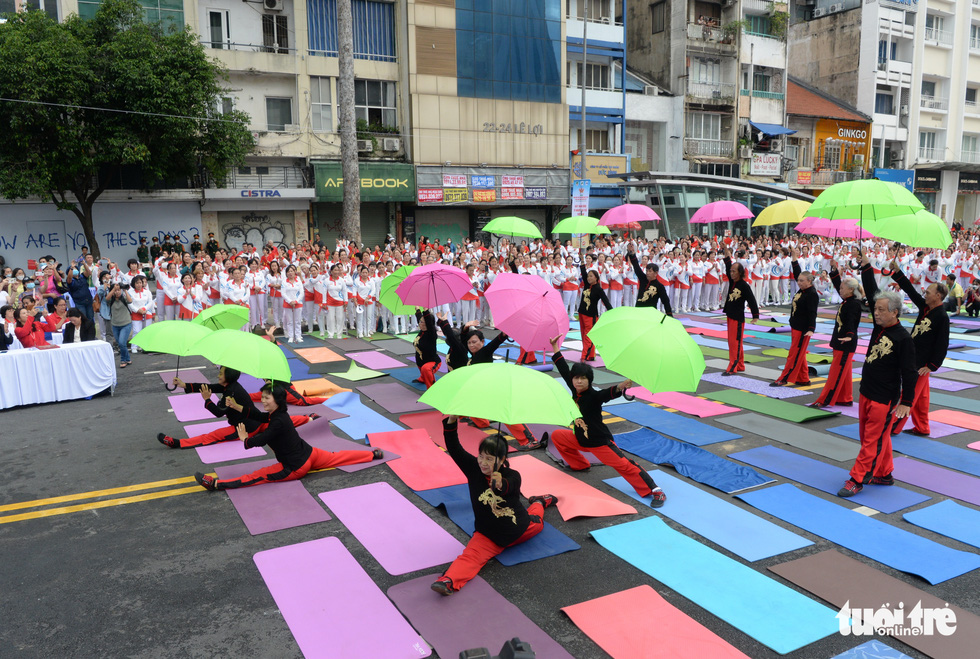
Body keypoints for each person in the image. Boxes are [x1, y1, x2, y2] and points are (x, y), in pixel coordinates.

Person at [430, 416, 556, 596]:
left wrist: (499, 484)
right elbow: (454, 448)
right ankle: (449, 581)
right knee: (470, 557)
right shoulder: (473, 468)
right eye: (481, 456)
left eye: (489, 459)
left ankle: (540, 501)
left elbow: (509, 488)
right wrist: (451, 421)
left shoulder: (513, 475)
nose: (483, 462)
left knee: (537, 521)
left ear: (502, 459)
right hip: (488, 535)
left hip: (519, 528)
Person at [547, 335, 666, 507]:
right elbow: (564, 369)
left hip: (599, 443)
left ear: (589, 380)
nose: (579, 381)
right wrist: (555, 348)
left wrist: (620, 387)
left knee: (625, 465)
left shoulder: (593, 395)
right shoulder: (575, 388)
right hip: (580, 439)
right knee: (558, 436)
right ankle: (580, 465)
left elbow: (606, 394)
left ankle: (655, 490)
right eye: (576, 378)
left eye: (583, 378)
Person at [194, 384, 380, 490]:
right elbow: (257, 415)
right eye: (263, 397)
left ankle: (217, 484)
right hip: (310, 454)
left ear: (277, 401)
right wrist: (237, 407)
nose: (263, 400)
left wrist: (244, 439)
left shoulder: (277, 422)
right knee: (338, 456)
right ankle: (373, 454)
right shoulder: (278, 414)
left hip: (295, 467)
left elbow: (262, 439)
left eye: (266, 398)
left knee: (257, 476)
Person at [838, 264, 917, 498]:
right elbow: (871, 291)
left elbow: (910, 373)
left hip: (885, 398)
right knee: (871, 437)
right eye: (876, 309)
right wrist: (865, 267)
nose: (877, 313)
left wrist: (906, 402)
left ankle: (857, 479)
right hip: (867, 392)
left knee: (871, 440)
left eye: (882, 310)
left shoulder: (903, 339)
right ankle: (884, 473)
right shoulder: (879, 329)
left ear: (895, 312)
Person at [437, 314, 544, 450]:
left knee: (507, 416)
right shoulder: (473, 355)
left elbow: (495, 343)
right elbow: (462, 341)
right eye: (470, 343)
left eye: (475, 342)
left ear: (482, 342)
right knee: (469, 404)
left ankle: (530, 440)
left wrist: (503, 335)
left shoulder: (484, 352)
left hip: (492, 390)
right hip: (481, 390)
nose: (471, 345)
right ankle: (483, 422)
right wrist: (465, 328)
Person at [157, 366, 316, 449]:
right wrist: (185, 385)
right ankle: (308, 418)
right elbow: (209, 386)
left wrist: (207, 400)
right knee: (280, 421)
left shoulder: (231, 392)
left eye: (221, 374)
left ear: (228, 377)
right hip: (254, 420)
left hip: (245, 427)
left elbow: (219, 413)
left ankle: (179, 443)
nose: (218, 376)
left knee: (212, 436)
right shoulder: (230, 385)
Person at [888, 258, 950, 437]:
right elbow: (910, 290)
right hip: (914, 357)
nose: (925, 293)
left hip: (923, 362)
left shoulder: (942, 316)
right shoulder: (925, 307)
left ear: (938, 295)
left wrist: (932, 366)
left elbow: (942, 344)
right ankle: (922, 427)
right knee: (921, 398)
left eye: (929, 291)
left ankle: (893, 426)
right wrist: (898, 272)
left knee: (910, 395)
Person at [809, 264, 862, 408]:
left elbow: (852, 322)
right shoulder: (848, 300)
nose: (840, 290)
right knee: (844, 372)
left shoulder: (853, 304)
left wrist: (850, 336)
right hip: (841, 340)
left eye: (842, 289)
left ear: (851, 290)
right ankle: (845, 398)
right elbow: (840, 284)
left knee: (836, 372)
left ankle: (825, 400)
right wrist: (834, 272)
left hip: (845, 341)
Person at [772, 249, 818, 387]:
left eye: (802, 281)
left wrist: (811, 328)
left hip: (803, 329)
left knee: (794, 354)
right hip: (795, 326)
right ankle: (803, 378)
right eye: (798, 280)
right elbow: (798, 272)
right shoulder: (802, 289)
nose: (798, 282)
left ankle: (784, 378)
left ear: (809, 281)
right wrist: (794, 258)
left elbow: (812, 313)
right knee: (800, 354)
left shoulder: (811, 294)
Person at [721, 247, 760, 375]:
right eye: (731, 271)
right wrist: (727, 254)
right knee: (733, 342)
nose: (731, 273)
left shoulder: (744, 285)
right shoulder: (733, 282)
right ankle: (740, 364)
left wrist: (755, 315)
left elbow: (752, 299)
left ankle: (733, 366)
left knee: (735, 343)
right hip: (730, 315)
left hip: (737, 318)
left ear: (740, 272)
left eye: (734, 271)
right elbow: (727, 268)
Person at [578, 261, 612, 362]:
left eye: (591, 276)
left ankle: (584, 357)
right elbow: (583, 271)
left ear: (596, 278)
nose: (588, 278)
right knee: (584, 335)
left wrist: (612, 313)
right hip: (581, 313)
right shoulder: (587, 285)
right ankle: (590, 355)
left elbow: (606, 302)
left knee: (589, 336)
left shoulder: (598, 289)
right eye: (588, 276)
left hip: (591, 316)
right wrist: (582, 260)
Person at [627, 243, 672, 315]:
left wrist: (670, 316)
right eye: (647, 271)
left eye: (650, 271)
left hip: (651, 314)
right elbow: (636, 267)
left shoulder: (659, 286)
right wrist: (631, 254)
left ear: (656, 273)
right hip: (638, 311)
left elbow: (666, 302)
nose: (647, 273)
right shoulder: (643, 279)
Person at [107, 281, 134, 367]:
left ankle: (123, 360)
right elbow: (107, 299)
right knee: (120, 343)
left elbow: (130, 301)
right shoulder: (111, 300)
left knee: (122, 343)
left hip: (126, 324)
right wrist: (113, 289)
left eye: (119, 290)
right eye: (116, 290)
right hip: (115, 325)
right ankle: (128, 358)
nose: (117, 292)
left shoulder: (124, 298)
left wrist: (125, 290)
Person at [413, 308, 441, 388]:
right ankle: (423, 378)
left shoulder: (431, 334)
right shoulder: (422, 330)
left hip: (432, 362)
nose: (420, 323)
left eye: (422, 322)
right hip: (421, 361)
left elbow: (428, 321)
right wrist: (417, 309)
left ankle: (432, 389)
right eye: (420, 322)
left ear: (427, 324)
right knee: (422, 366)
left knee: (426, 369)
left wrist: (426, 311)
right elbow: (420, 318)